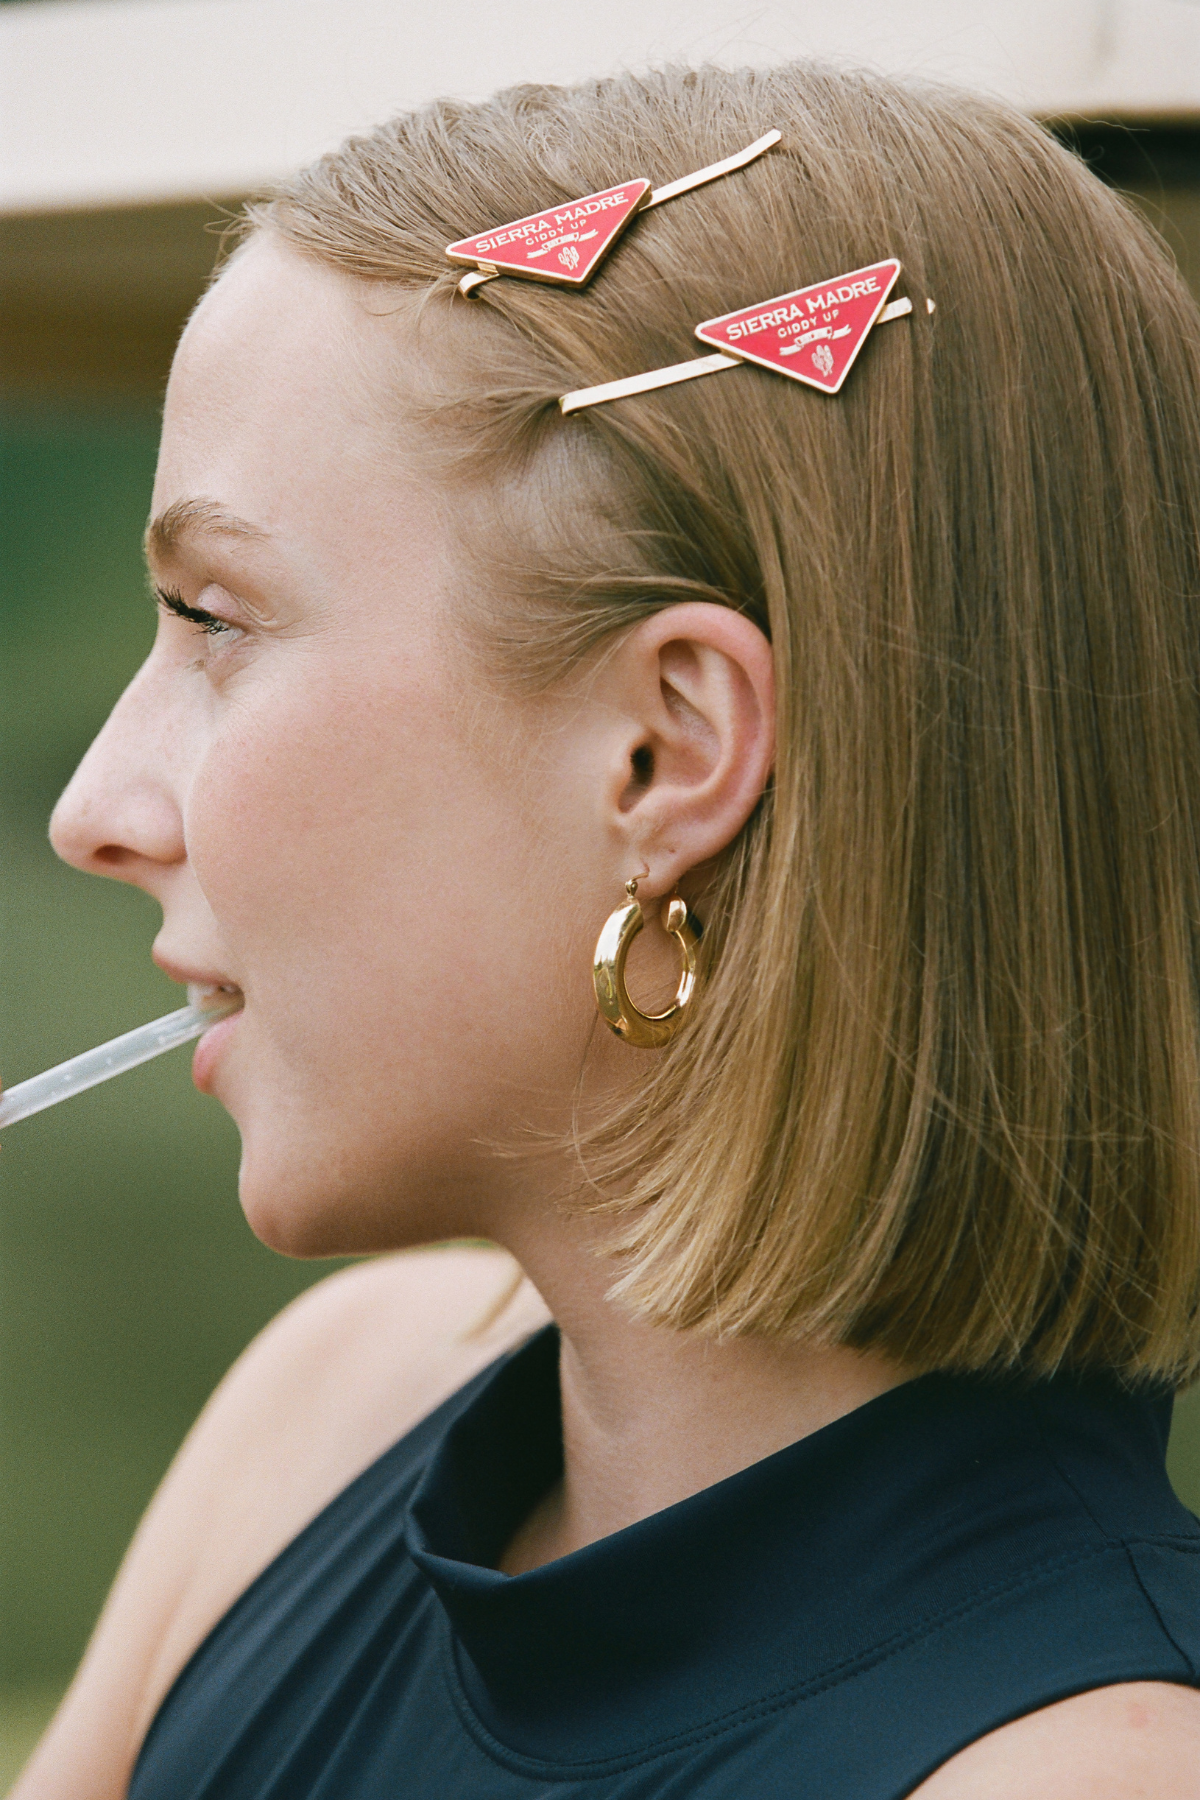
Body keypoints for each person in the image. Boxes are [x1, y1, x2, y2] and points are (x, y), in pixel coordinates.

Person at [13, 59, 1200, 1800]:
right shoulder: (328, 1414)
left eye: (216, 619)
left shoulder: (1080, 1776)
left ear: (669, 752)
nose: (97, 810)